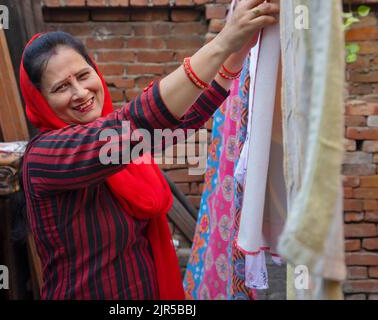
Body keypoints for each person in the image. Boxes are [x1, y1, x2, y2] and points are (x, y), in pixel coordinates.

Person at [19, 0, 279, 300]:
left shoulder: (121, 147)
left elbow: (177, 122)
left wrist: (237, 53)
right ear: (39, 100)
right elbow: (137, 123)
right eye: (61, 87)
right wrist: (223, 41)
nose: (80, 93)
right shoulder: (44, 158)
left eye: (83, 75)